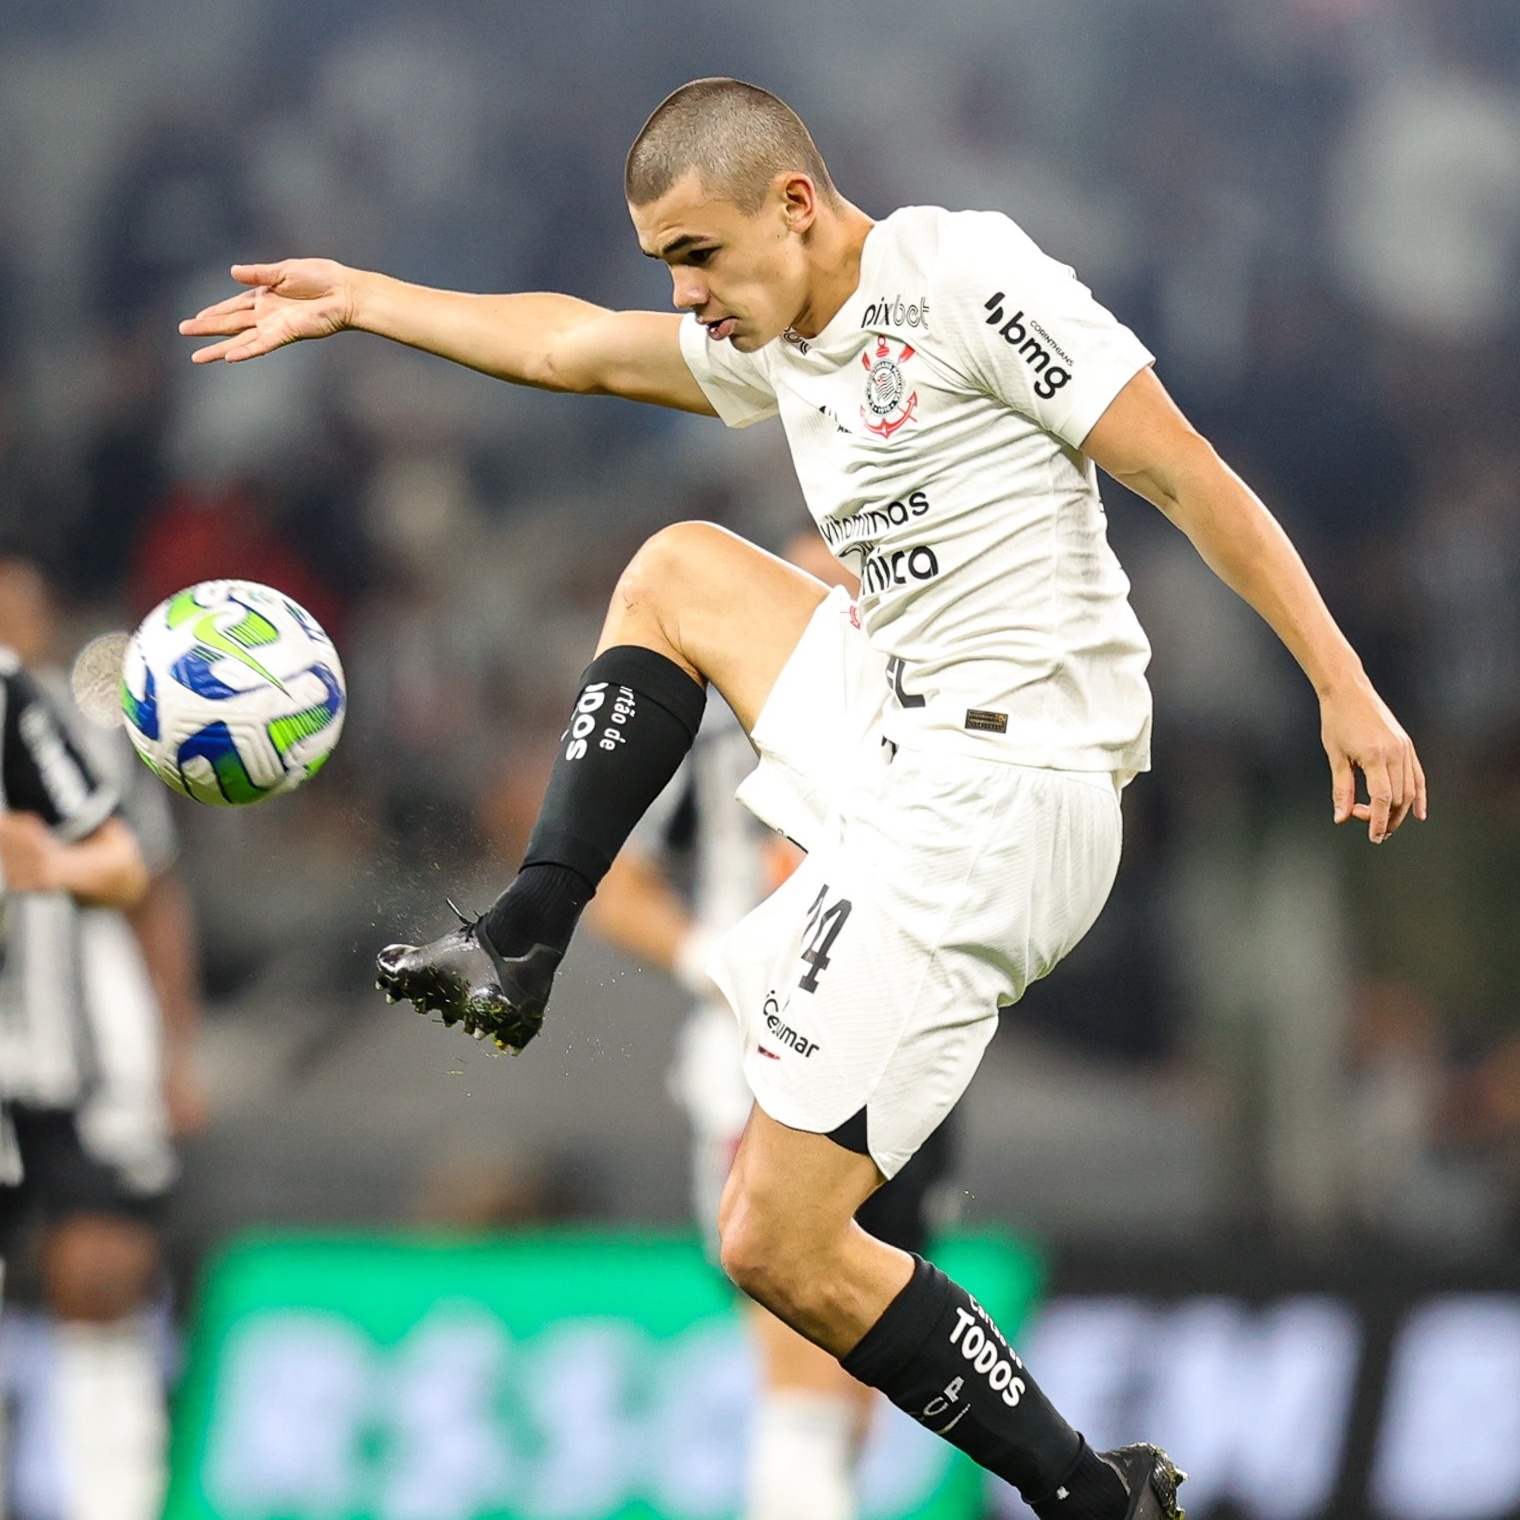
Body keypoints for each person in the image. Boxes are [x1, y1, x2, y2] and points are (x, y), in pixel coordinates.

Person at [182, 77, 1425, 1520]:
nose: (684, 292)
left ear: (793, 203)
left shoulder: (962, 274)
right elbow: (575, 346)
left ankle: (1089, 1497)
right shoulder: (784, 341)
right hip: (903, 741)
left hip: (1008, 793)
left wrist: (1341, 682)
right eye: (667, 264)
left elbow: (1184, 470)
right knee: (677, 571)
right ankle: (525, 936)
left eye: (698, 255)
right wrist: (367, 300)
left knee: (773, 1241)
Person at [589, 528, 955, 1520]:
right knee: (798, 1361)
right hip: (764, 1058)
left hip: (910, 1061)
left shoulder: (936, 714)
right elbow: (618, 884)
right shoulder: (709, 723)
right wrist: (721, 962)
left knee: (866, 1386)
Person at [0, 555, 202, 1520]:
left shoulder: (91, 724)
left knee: (100, 1270)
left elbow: (148, 882)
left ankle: (115, 1496)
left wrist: (175, 1046)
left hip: (86, 1048)